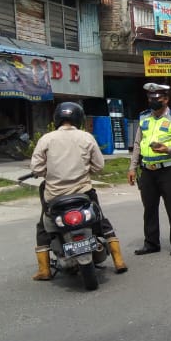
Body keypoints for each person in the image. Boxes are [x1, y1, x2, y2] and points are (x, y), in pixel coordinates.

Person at [29, 101, 128, 280]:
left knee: (43, 227)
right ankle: (118, 259)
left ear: (57, 118)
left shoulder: (47, 139)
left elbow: (36, 168)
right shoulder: (86, 137)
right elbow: (99, 166)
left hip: (55, 196)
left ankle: (44, 270)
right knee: (101, 221)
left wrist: (47, 172)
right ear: (78, 118)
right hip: (83, 194)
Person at [127, 83, 171, 255]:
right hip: (147, 170)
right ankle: (151, 243)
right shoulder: (144, 118)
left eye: (157, 99)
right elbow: (137, 144)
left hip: (168, 170)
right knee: (149, 209)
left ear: (166, 99)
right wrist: (132, 167)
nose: (153, 102)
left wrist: (168, 149)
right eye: (150, 99)